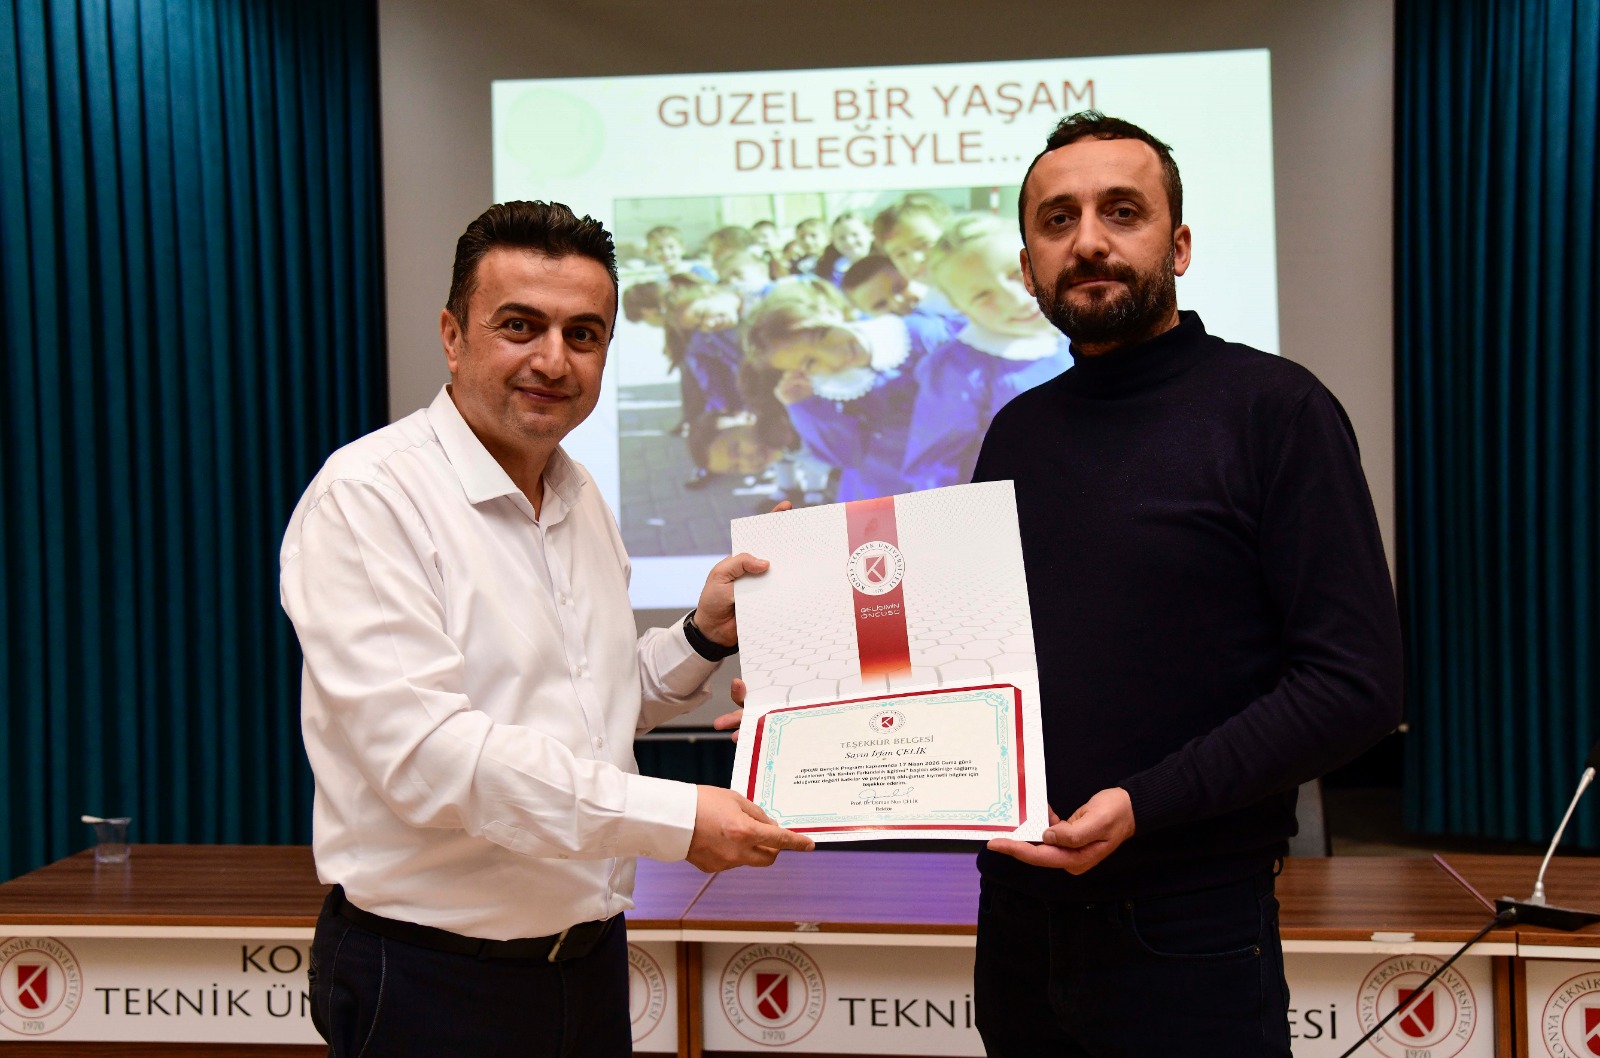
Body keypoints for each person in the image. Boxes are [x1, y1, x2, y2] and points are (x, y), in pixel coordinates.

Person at [280, 201, 813, 1058]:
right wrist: (677, 816)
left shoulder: (579, 494)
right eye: (520, 326)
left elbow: (588, 708)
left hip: (587, 964)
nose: (554, 360)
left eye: (584, 334)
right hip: (430, 981)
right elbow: (431, 758)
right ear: (453, 337)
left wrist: (704, 634)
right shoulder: (369, 497)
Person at [971, 111, 1403, 1056]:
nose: (1089, 241)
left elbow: (1355, 685)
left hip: (1189, 929)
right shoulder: (1017, 434)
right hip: (1014, 924)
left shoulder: (1277, 411)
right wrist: (826, 703)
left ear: (1179, 246)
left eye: (1122, 212)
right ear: (1029, 267)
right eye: (1058, 220)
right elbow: (976, 665)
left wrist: (1143, 804)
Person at [901, 213, 1070, 490]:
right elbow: (931, 474)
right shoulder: (959, 370)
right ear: (960, 308)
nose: (1015, 299)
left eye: (1017, 272)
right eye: (982, 295)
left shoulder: (1092, 323)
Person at [744, 277, 946, 502]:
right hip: (886, 487)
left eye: (822, 334)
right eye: (810, 362)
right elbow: (845, 455)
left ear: (832, 310)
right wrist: (805, 407)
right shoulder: (830, 391)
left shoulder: (912, 336)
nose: (835, 357)